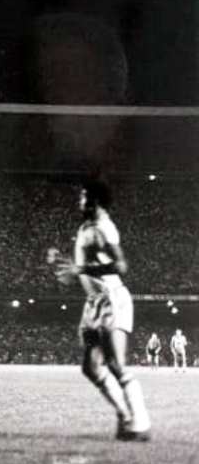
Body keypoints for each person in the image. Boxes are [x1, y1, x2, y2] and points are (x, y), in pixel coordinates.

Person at [54, 179, 151, 442]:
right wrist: (71, 268)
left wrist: (80, 269)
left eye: (83, 196)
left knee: (115, 364)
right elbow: (88, 265)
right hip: (94, 302)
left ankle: (140, 422)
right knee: (91, 368)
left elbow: (121, 266)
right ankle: (125, 417)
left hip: (112, 300)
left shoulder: (104, 228)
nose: (79, 201)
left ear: (94, 201)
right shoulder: (86, 226)